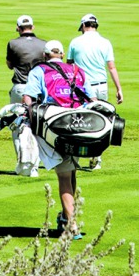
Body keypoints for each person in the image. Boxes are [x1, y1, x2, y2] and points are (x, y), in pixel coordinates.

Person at [22, 40, 94, 239]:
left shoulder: (40, 70)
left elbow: (28, 97)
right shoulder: (76, 70)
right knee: (70, 171)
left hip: (55, 126)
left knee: (64, 175)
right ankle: (65, 217)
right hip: (80, 125)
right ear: (62, 55)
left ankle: (72, 226)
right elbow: (91, 99)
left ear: (45, 56)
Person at [67, 13, 123, 170]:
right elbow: (111, 67)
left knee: (78, 122)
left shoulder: (75, 42)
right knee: (101, 122)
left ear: (84, 26)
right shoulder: (105, 42)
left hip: (81, 88)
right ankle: (96, 159)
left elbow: (69, 67)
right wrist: (119, 88)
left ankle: (75, 159)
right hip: (101, 86)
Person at [6, 14, 45, 177]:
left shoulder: (13, 44)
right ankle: (35, 166)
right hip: (38, 89)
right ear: (33, 27)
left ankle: (22, 164)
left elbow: (10, 65)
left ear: (18, 28)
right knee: (36, 127)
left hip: (20, 88)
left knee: (17, 126)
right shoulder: (44, 44)